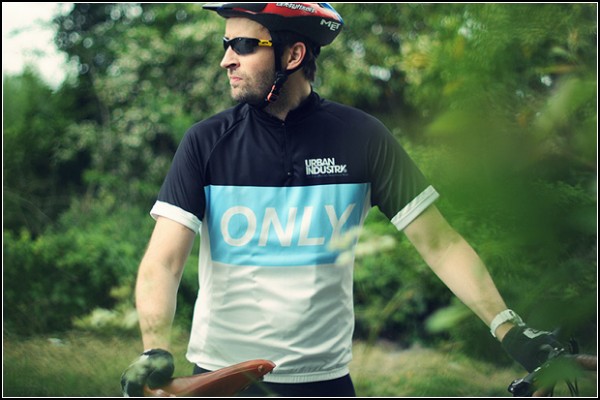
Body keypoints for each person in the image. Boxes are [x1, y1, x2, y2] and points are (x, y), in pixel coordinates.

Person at [121, 3, 566, 397]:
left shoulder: (362, 138)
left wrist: (509, 329)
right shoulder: (206, 142)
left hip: (324, 383)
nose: (226, 60)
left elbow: (441, 244)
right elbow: (164, 262)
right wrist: (154, 350)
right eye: (226, 44)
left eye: (243, 45)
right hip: (221, 380)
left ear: (293, 55)